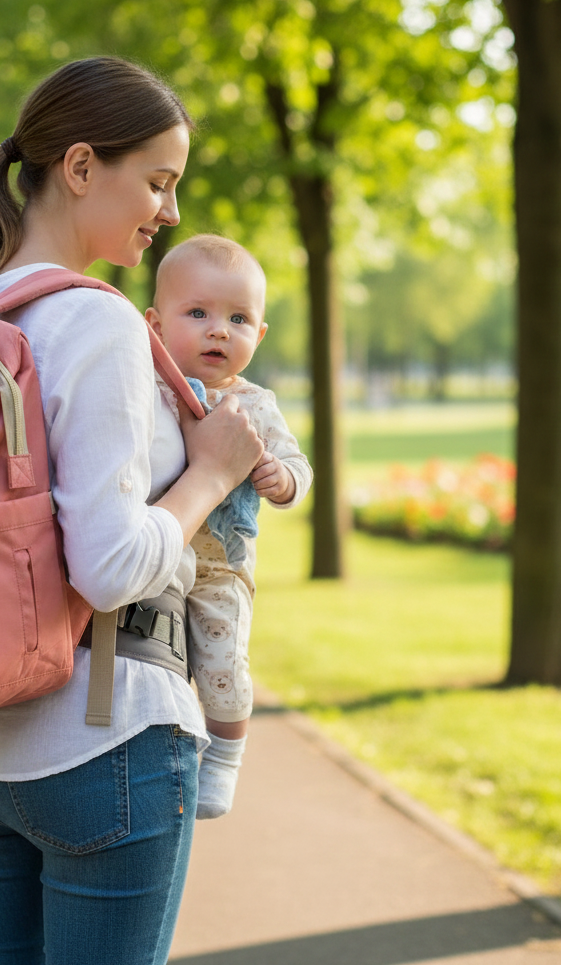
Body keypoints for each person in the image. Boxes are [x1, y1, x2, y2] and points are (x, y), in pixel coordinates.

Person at [0, 58, 264, 965]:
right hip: (98, 739)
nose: (171, 212)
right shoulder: (101, 321)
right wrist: (211, 476)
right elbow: (107, 566)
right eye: (157, 181)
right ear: (79, 168)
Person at [145, 234, 313, 819]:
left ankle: (225, 757)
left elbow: (298, 465)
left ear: (258, 334)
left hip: (220, 564)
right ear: (155, 322)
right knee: (157, 669)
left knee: (221, 664)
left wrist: (280, 478)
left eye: (239, 319)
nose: (219, 330)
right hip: (159, 553)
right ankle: (174, 744)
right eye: (198, 313)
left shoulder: (256, 404)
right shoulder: (147, 387)